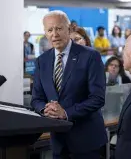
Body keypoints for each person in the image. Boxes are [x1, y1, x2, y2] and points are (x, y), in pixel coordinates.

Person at [31, 10, 107, 159]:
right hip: (58, 142)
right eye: (50, 30)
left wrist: (65, 113)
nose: (54, 34)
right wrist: (45, 109)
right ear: (45, 33)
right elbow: (36, 99)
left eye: (59, 28)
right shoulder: (42, 61)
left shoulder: (90, 56)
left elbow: (97, 98)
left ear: (69, 29)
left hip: (86, 141)